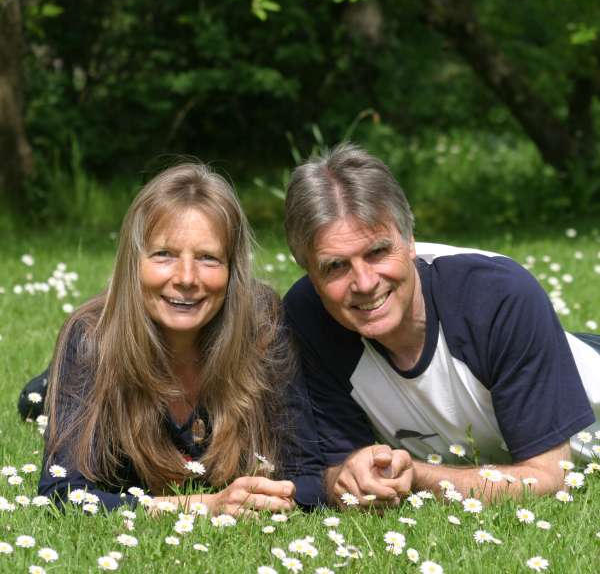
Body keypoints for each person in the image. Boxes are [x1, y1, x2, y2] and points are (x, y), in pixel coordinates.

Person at [283, 143, 600, 508]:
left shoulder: (497, 296)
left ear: (410, 241)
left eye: (377, 252)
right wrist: (347, 477)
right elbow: (334, 468)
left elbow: (548, 478)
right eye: (336, 266)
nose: (365, 282)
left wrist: (418, 476)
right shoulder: (308, 319)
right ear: (310, 273)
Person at [21, 162, 298, 514]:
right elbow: (60, 492)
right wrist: (203, 505)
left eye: (208, 258)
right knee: (34, 401)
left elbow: (301, 464)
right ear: (133, 263)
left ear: (232, 271)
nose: (186, 278)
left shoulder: (262, 328)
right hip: (90, 358)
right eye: (164, 254)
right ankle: (46, 386)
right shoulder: (90, 339)